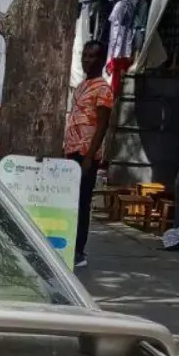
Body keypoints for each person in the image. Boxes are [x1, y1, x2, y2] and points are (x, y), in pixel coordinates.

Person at [62, 39, 115, 269]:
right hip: (71, 150)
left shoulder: (103, 88)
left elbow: (103, 125)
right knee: (69, 203)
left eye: (92, 56)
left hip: (85, 155)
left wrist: (89, 157)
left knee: (82, 203)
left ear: (101, 60)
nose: (86, 60)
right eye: (85, 55)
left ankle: (79, 251)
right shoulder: (83, 85)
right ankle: (68, 246)